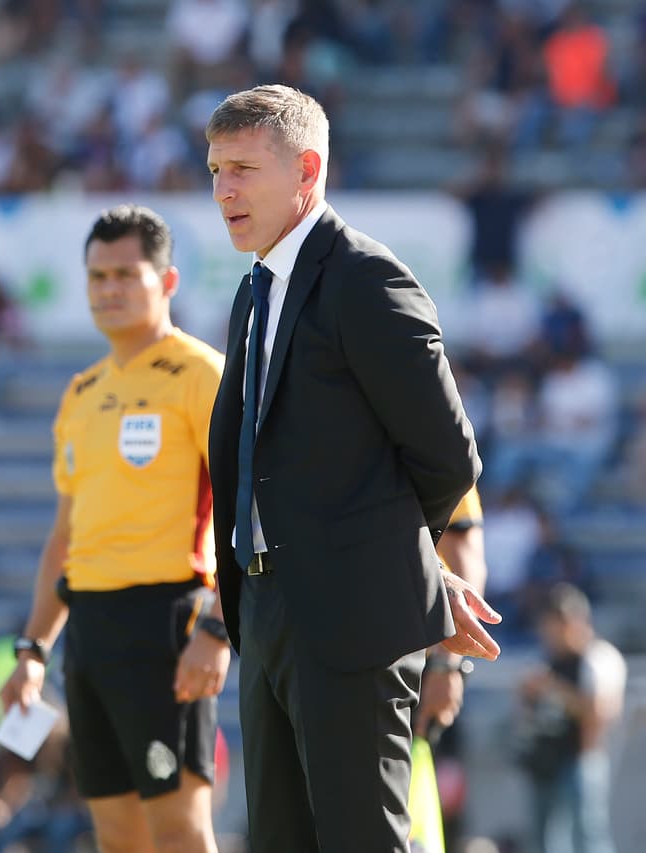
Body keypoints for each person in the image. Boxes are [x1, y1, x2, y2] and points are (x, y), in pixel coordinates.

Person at [202, 84, 500, 852]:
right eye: (214, 170)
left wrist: (390, 564)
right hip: (266, 614)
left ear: (306, 169)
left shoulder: (366, 278)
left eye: (242, 168)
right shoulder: (254, 291)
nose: (223, 189)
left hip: (350, 621)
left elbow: (448, 455)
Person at [0, 204, 227, 853]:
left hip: (166, 624)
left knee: (180, 830)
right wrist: (33, 649)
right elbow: (65, 537)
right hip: (89, 634)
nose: (111, 289)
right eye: (98, 276)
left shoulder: (201, 374)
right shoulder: (82, 392)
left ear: (169, 281)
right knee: (117, 837)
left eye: (127, 273)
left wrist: (217, 626)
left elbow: (250, 510)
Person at [515, 582, 626, 853]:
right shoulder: (543, 658)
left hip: (580, 760)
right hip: (545, 760)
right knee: (545, 841)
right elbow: (528, 715)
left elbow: (599, 714)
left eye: (560, 621)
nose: (553, 630)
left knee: (589, 837)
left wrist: (554, 689)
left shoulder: (598, 658)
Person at [411, 486, 489, 853]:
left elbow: (466, 551)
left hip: (420, 662)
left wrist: (447, 664)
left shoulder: (429, 431)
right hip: (343, 651)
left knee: (414, 809)